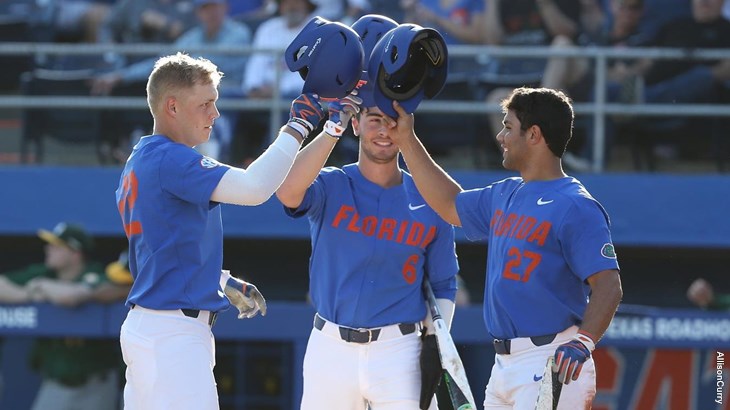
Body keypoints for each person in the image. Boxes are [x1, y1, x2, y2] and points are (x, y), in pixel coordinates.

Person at [388, 86, 623, 408]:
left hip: (551, 359)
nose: (501, 136)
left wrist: (584, 342)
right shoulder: (506, 193)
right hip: (504, 365)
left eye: (509, 126)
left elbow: (609, 284)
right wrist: (406, 141)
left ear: (534, 135)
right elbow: (449, 204)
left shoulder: (576, 205)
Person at [115, 52, 321, 409]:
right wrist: (299, 125)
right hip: (173, 335)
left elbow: (165, 250)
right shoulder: (170, 157)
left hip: (152, 327)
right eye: (206, 104)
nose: (216, 114)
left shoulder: (141, 157)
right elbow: (255, 188)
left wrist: (219, 279)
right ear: (173, 107)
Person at [275, 86, 460, 408]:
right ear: (356, 125)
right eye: (374, 120)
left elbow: (445, 283)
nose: (385, 131)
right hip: (329, 345)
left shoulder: (429, 198)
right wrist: (332, 128)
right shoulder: (333, 183)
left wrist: (436, 344)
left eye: (393, 122)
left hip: (400, 349)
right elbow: (287, 192)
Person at [91, 0, 252, 162]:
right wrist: (121, 76)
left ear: (225, 8)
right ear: (198, 13)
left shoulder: (239, 33)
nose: (212, 12)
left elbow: (209, 66)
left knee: (210, 115)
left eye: (215, 6)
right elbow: (162, 62)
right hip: (193, 97)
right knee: (163, 99)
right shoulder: (193, 37)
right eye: (206, 8)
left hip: (229, 96)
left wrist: (184, 64)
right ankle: (149, 154)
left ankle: (214, 165)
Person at [0, 222, 124, 410]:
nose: (48, 249)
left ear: (75, 253)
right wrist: (29, 294)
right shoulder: (45, 272)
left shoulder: (93, 273)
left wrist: (42, 285)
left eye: (57, 246)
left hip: (96, 381)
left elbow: (71, 297)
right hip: (57, 382)